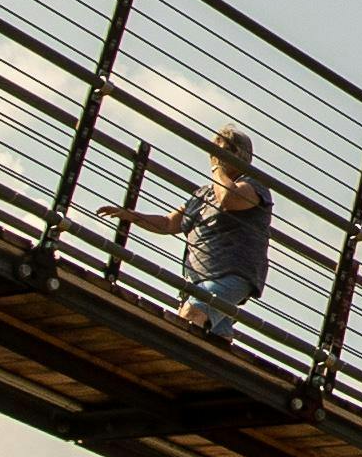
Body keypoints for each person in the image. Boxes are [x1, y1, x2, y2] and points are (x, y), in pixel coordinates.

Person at [110, 129, 272, 330]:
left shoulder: (253, 185)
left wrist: (217, 170)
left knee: (190, 316)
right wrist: (132, 216)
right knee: (215, 337)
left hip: (232, 274)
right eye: (214, 150)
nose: (216, 155)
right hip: (199, 279)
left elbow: (229, 200)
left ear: (240, 155)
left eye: (223, 150)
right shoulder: (204, 193)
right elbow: (169, 223)